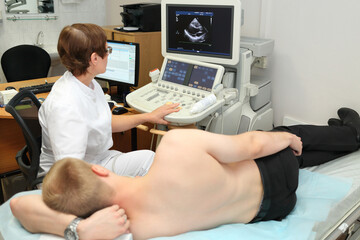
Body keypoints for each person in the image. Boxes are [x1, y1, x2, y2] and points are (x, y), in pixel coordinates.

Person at [38, 107, 360, 240]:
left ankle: (336, 139)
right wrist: (288, 139)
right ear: (98, 168)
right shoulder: (175, 148)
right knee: (283, 134)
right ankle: (351, 134)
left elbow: (20, 205)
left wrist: (79, 229)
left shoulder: (133, 229)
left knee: (293, 156)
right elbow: (250, 144)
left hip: (273, 209)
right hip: (276, 173)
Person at [38, 23, 180, 177]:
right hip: (71, 178)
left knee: (150, 160)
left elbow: (105, 122)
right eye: (107, 50)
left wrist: (148, 117)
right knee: (148, 167)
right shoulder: (65, 105)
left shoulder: (89, 84)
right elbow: (70, 171)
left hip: (96, 160)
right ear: (94, 58)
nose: (109, 54)